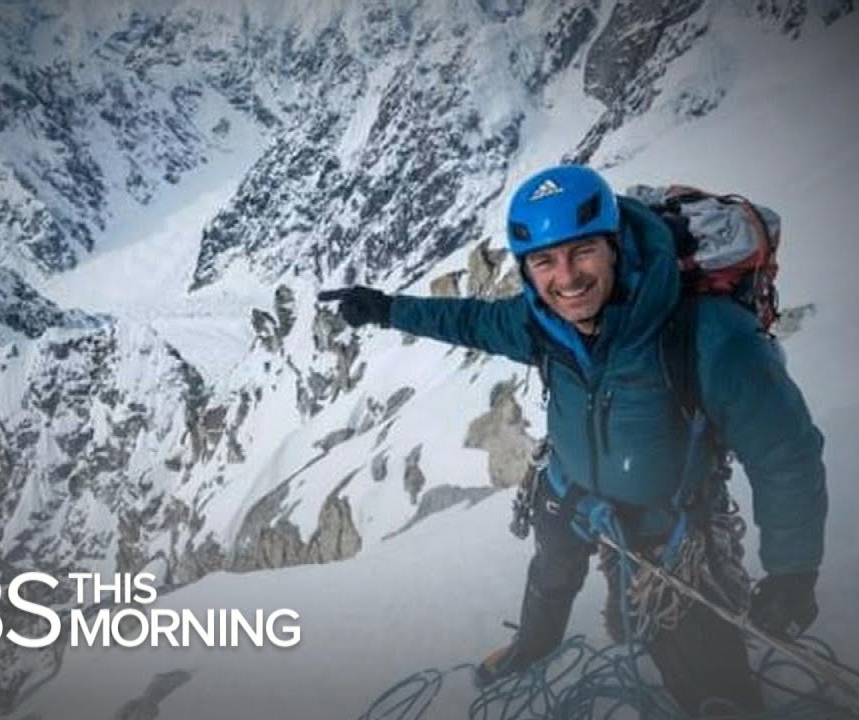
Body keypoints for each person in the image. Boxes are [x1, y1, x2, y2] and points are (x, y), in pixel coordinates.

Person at [318, 164, 827, 715]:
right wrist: (388, 309)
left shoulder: (707, 333)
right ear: (528, 270)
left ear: (614, 246)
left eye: (582, 252)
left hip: (666, 536)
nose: (567, 277)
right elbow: (468, 320)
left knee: (714, 694)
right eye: (545, 261)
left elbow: (786, 455)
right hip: (570, 492)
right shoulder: (541, 322)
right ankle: (536, 642)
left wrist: (792, 574)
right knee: (551, 571)